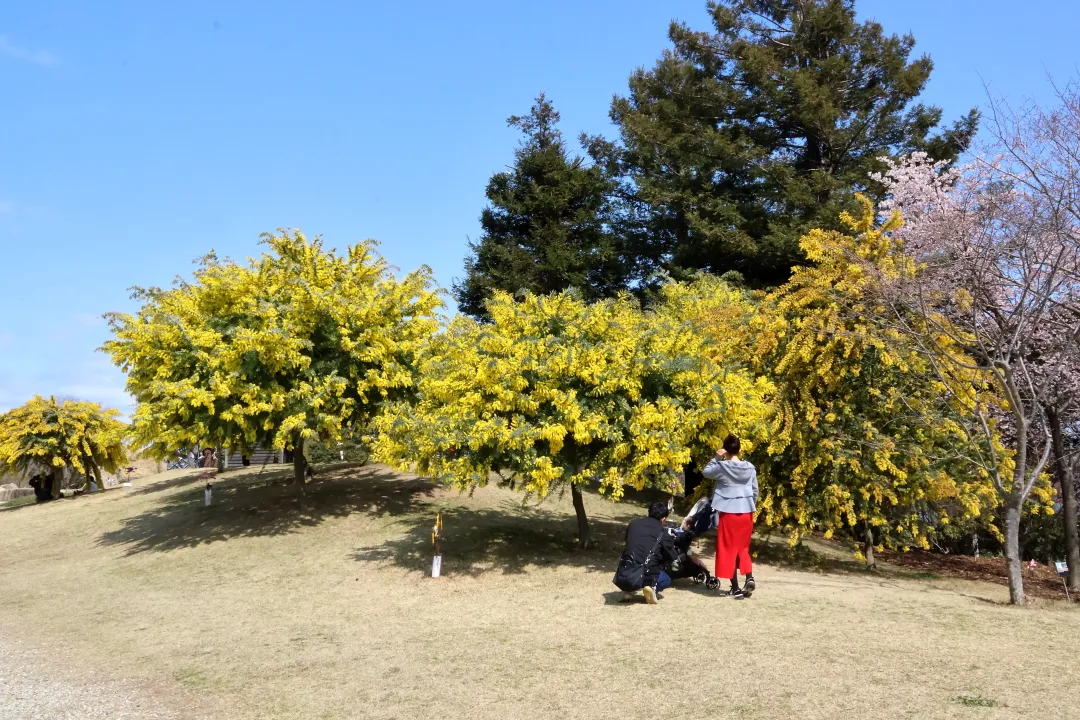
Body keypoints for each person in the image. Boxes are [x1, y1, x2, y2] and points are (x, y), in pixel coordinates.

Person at [703, 434, 759, 598]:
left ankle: (735, 588)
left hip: (729, 512)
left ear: (725, 450)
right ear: (739, 449)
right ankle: (749, 577)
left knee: (728, 549)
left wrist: (716, 457)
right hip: (746, 512)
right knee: (743, 548)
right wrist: (750, 505)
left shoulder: (722, 467)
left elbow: (706, 472)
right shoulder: (750, 468)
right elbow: (755, 491)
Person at [613, 501, 679, 604]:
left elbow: (628, 541)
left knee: (637, 559)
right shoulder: (663, 532)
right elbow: (672, 555)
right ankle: (652, 588)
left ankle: (627, 591)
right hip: (645, 572)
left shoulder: (633, 523)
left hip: (625, 570)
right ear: (663, 518)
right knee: (666, 579)